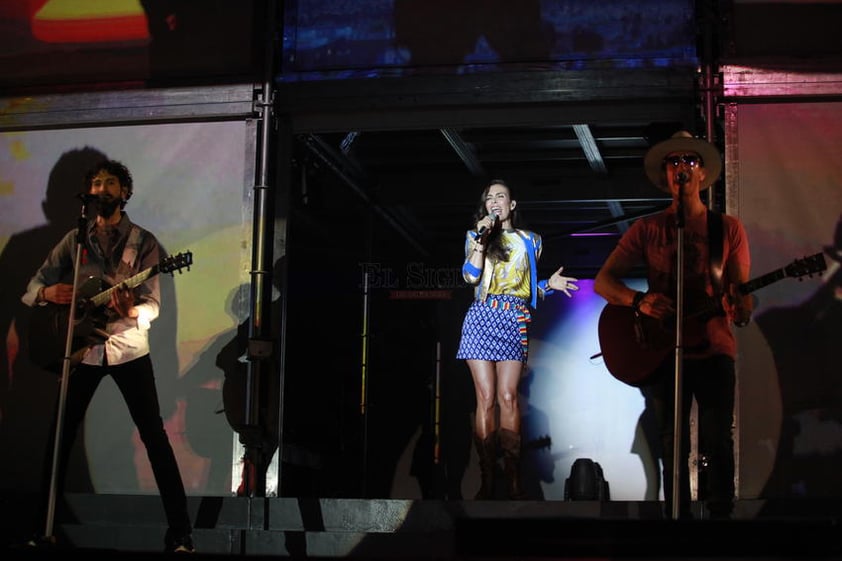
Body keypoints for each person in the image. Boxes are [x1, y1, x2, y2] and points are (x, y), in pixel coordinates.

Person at [21, 160, 194, 552]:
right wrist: (51, 294)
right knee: (60, 439)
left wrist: (132, 310)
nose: (102, 189)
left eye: (110, 183)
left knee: (154, 437)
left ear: (125, 192)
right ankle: (40, 529)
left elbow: (153, 306)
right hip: (82, 350)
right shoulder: (75, 239)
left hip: (128, 349)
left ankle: (181, 534)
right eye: (96, 183)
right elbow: (33, 287)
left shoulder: (143, 242)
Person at [593, 131, 753, 519]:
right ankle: (675, 521)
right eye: (674, 162)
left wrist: (740, 304)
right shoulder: (647, 229)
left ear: (702, 174)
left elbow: (743, 299)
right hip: (664, 349)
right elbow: (604, 281)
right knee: (672, 441)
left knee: (717, 439)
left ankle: (720, 519)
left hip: (714, 346)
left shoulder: (728, 229)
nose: (682, 167)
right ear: (666, 173)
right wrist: (640, 300)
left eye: (690, 161)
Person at [456, 179, 579, 500]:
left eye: (501, 196)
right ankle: (486, 477)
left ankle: (511, 477)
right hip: (482, 317)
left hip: (513, 319)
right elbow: (470, 276)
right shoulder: (475, 236)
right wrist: (481, 241)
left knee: (508, 397)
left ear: (512, 205)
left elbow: (526, 290)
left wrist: (548, 284)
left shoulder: (531, 241)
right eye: (489, 198)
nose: (494, 201)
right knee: (485, 398)